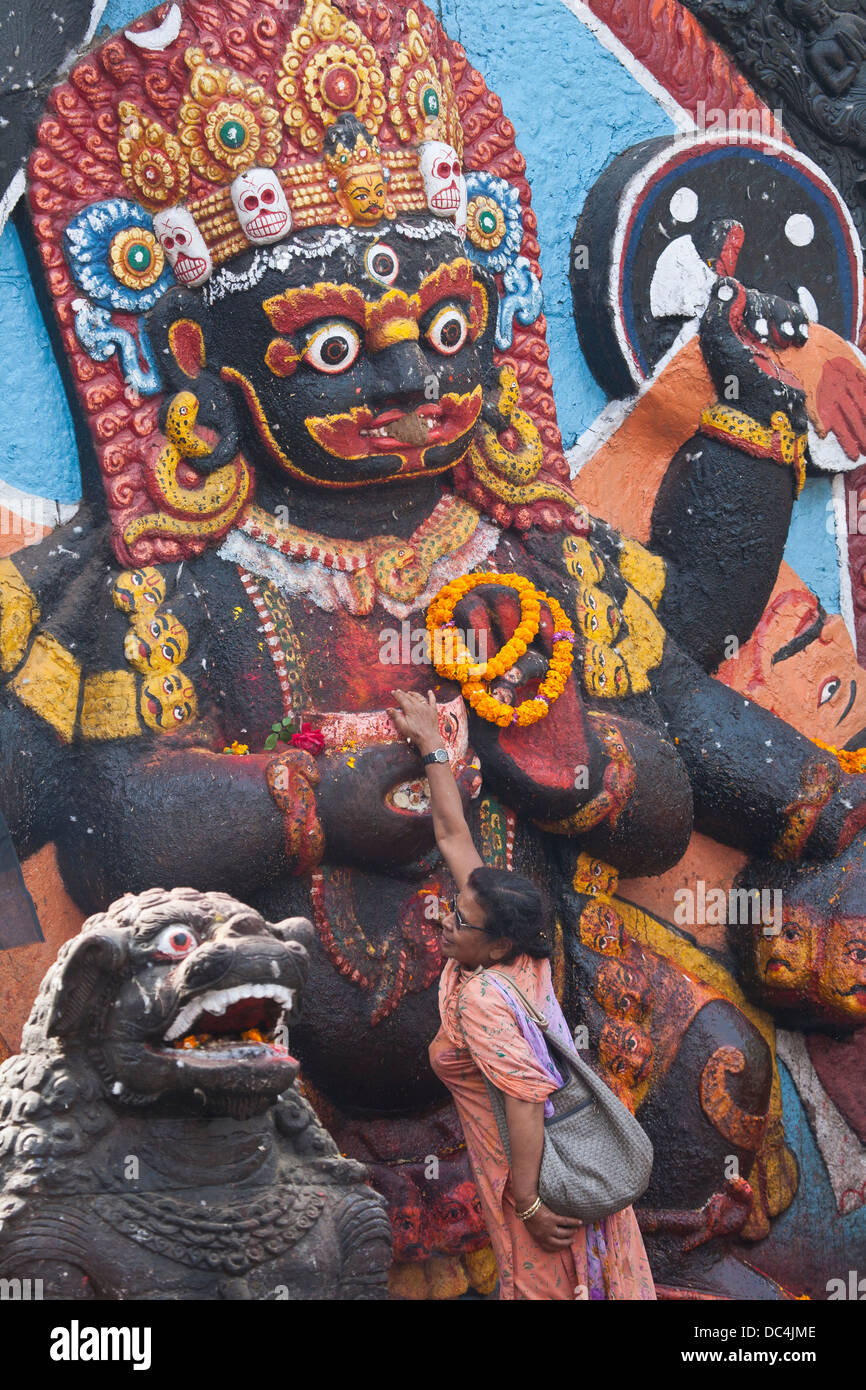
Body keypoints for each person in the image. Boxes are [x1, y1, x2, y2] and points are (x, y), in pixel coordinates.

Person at [388, 688, 656, 1301]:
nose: (446, 922)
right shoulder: (522, 956)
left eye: (460, 922)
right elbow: (455, 837)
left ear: (495, 945)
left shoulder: (482, 999)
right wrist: (432, 743)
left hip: (533, 1186)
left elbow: (526, 1103)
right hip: (568, 1165)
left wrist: (531, 1203)